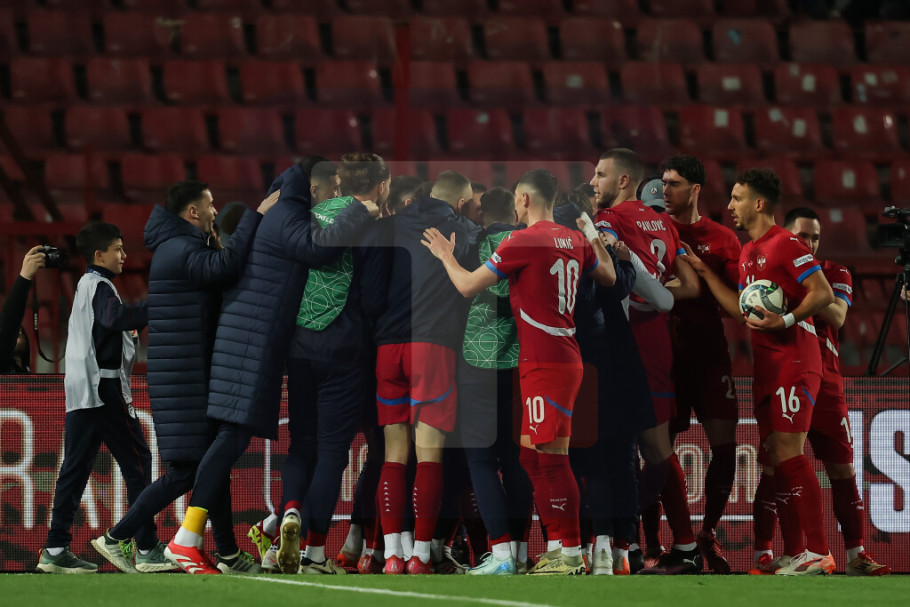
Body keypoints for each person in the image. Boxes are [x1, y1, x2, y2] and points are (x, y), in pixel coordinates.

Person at [165, 160, 378, 574]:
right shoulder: (290, 216)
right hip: (267, 345)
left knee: (282, 444)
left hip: (276, 344)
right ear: (314, 189)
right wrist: (358, 209)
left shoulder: (281, 215)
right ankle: (190, 539)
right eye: (333, 188)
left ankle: (268, 525)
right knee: (303, 448)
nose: (337, 196)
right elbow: (322, 251)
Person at [422, 169, 617, 575]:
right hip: (559, 355)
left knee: (553, 458)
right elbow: (609, 274)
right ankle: (560, 548)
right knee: (530, 458)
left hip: (545, 361)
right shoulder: (573, 238)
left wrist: (444, 255)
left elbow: (467, 286)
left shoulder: (523, 240)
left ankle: (570, 553)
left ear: (525, 199)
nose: (514, 206)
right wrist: (591, 232)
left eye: (516, 198)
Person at [91, 181, 277, 575]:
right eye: (210, 205)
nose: (214, 211)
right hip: (182, 380)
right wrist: (255, 218)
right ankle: (117, 536)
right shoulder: (179, 249)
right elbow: (225, 268)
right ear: (193, 212)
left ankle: (227, 554)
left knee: (211, 467)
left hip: (188, 374)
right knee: (189, 471)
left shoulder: (180, 246)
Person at [680, 168, 836, 576]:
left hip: (795, 361)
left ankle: (819, 551)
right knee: (777, 457)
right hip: (767, 366)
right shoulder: (749, 252)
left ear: (759, 203)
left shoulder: (786, 243)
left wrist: (784, 320)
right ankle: (798, 552)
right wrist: (705, 271)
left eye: (737, 198)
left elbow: (823, 293)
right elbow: (740, 311)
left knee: (789, 452)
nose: (730, 206)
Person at [753, 207, 887, 576]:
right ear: (787, 236)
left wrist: (804, 286)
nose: (809, 243)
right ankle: (772, 553)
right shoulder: (772, 270)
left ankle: (856, 555)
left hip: (827, 384)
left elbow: (838, 316)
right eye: (802, 236)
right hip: (786, 375)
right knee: (776, 467)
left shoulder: (834, 272)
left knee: (843, 469)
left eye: (814, 237)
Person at [275, 154, 391, 575]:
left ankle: (290, 510)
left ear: (339, 182)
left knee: (300, 444)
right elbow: (375, 301)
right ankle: (315, 552)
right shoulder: (376, 229)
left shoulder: (309, 218)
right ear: (381, 186)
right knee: (331, 452)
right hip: (346, 351)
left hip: (300, 347)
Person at [589, 148, 703, 575]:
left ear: (624, 180)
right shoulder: (663, 223)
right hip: (656, 337)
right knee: (647, 448)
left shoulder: (609, 221)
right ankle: (639, 545)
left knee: (640, 449)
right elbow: (678, 282)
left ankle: (677, 547)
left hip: (627, 338)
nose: (593, 182)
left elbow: (611, 273)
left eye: (601, 174)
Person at [371, 168, 481, 575]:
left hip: (388, 348)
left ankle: (392, 555)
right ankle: (419, 555)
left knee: (393, 455)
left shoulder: (390, 225)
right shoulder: (461, 229)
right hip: (432, 347)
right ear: (461, 202)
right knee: (430, 456)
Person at [37, 222, 153, 574]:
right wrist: (157, 307)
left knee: (74, 471)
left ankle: (55, 548)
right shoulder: (100, 286)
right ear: (100, 255)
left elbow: (107, 326)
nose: (124, 255)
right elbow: (113, 318)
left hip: (82, 392)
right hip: (104, 391)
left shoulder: (87, 286)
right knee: (138, 463)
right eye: (118, 249)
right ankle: (146, 547)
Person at [662, 155, 742, 574]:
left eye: (673, 183)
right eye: (662, 183)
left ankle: (707, 532)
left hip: (710, 357)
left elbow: (739, 302)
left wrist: (704, 278)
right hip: (665, 359)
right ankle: (658, 542)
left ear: (695, 190)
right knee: (658, 451)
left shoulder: (723, 239)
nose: (665, 190)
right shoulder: (654, 228)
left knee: (725, 448)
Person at [454, 187, 532, 576]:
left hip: (477, 362)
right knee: (517, 460)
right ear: (515, 214)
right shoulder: (530, 244)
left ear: (482, 214)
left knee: (481, 460)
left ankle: (499, 553)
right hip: (521, 363)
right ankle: (519, 551)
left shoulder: (470, 245)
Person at [0, 246, 47, 373]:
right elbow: (8, 328)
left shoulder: (25, 372)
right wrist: (25, 277)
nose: (18, 331)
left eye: (20, 330)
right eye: (16, 331)